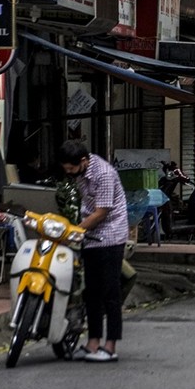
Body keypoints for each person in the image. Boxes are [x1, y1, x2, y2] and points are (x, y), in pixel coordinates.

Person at [58, 140, 128, 362]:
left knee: (110, 292)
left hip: (111, 235)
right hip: (91, 238)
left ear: (83, 161)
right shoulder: (81, 173)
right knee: (92, 293)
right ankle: (92, 343)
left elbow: (102, 212)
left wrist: (75, 231)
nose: (70, 174)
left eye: (71, 169)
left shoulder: (104, 174)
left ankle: (110, 345)